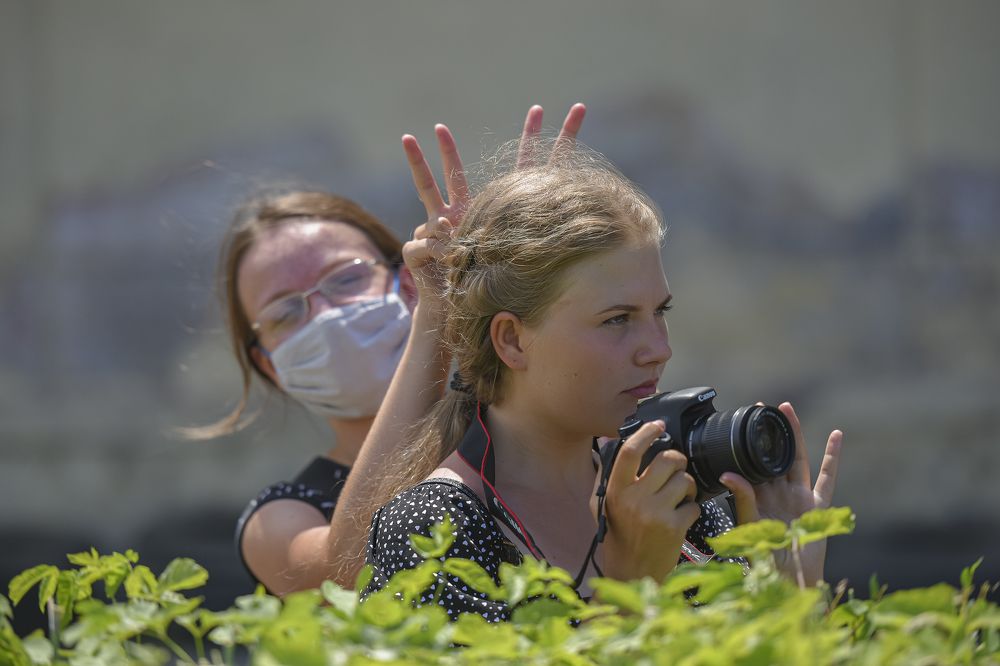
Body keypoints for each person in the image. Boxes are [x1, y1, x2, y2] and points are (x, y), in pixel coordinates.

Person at [362, 143, 844, 621]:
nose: (658, 348)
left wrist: (790, 595)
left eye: (660, 312)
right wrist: (627, 589)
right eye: (617, 319)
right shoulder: (434, 525)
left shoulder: (665, 485)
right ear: (511, 340)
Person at [191, 105, 587, 596]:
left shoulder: (535, 444)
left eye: (347, 279)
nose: (325, 315)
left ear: (405, 284)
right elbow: (353, 570)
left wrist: (530, 270)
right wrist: (437, 310)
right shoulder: (279, 520)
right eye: (285, 313)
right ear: (265, 362)